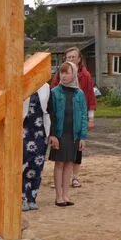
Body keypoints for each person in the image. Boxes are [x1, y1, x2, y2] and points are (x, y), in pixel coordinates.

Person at [49, 46, 96, 187]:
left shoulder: (85, 76)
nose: (71, 59)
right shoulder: (59, 75)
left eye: (73, 57)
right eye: (68, 57)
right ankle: (60, 179)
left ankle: (75, 177)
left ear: (79, 59)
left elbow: (90, 97)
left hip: (78, 115)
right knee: (60, 151)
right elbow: (52, 94)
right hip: (62, 119)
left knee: (76, 149)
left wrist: (90, 118)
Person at [48, 62, 88, 207]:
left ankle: (66, 194)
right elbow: (50, 115)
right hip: (59, 133)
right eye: (62, 73)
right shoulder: (54, 92)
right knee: (59, 163)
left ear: (74, 74)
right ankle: (58, 196)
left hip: (74, 134)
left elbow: (84, 115)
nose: (64, 76)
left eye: (67, 73)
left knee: (70, 164)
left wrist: (83, 136)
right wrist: (52, 135)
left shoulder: (79, 93)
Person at [22, 81, 51, 211]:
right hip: (24, 128)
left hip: (40, 130)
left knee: (37, 164)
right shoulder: (21, 83)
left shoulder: (46, 86)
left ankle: (32, 197)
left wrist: (50, 132)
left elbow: (48, 110)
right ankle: (22, 198)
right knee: (23, 163)